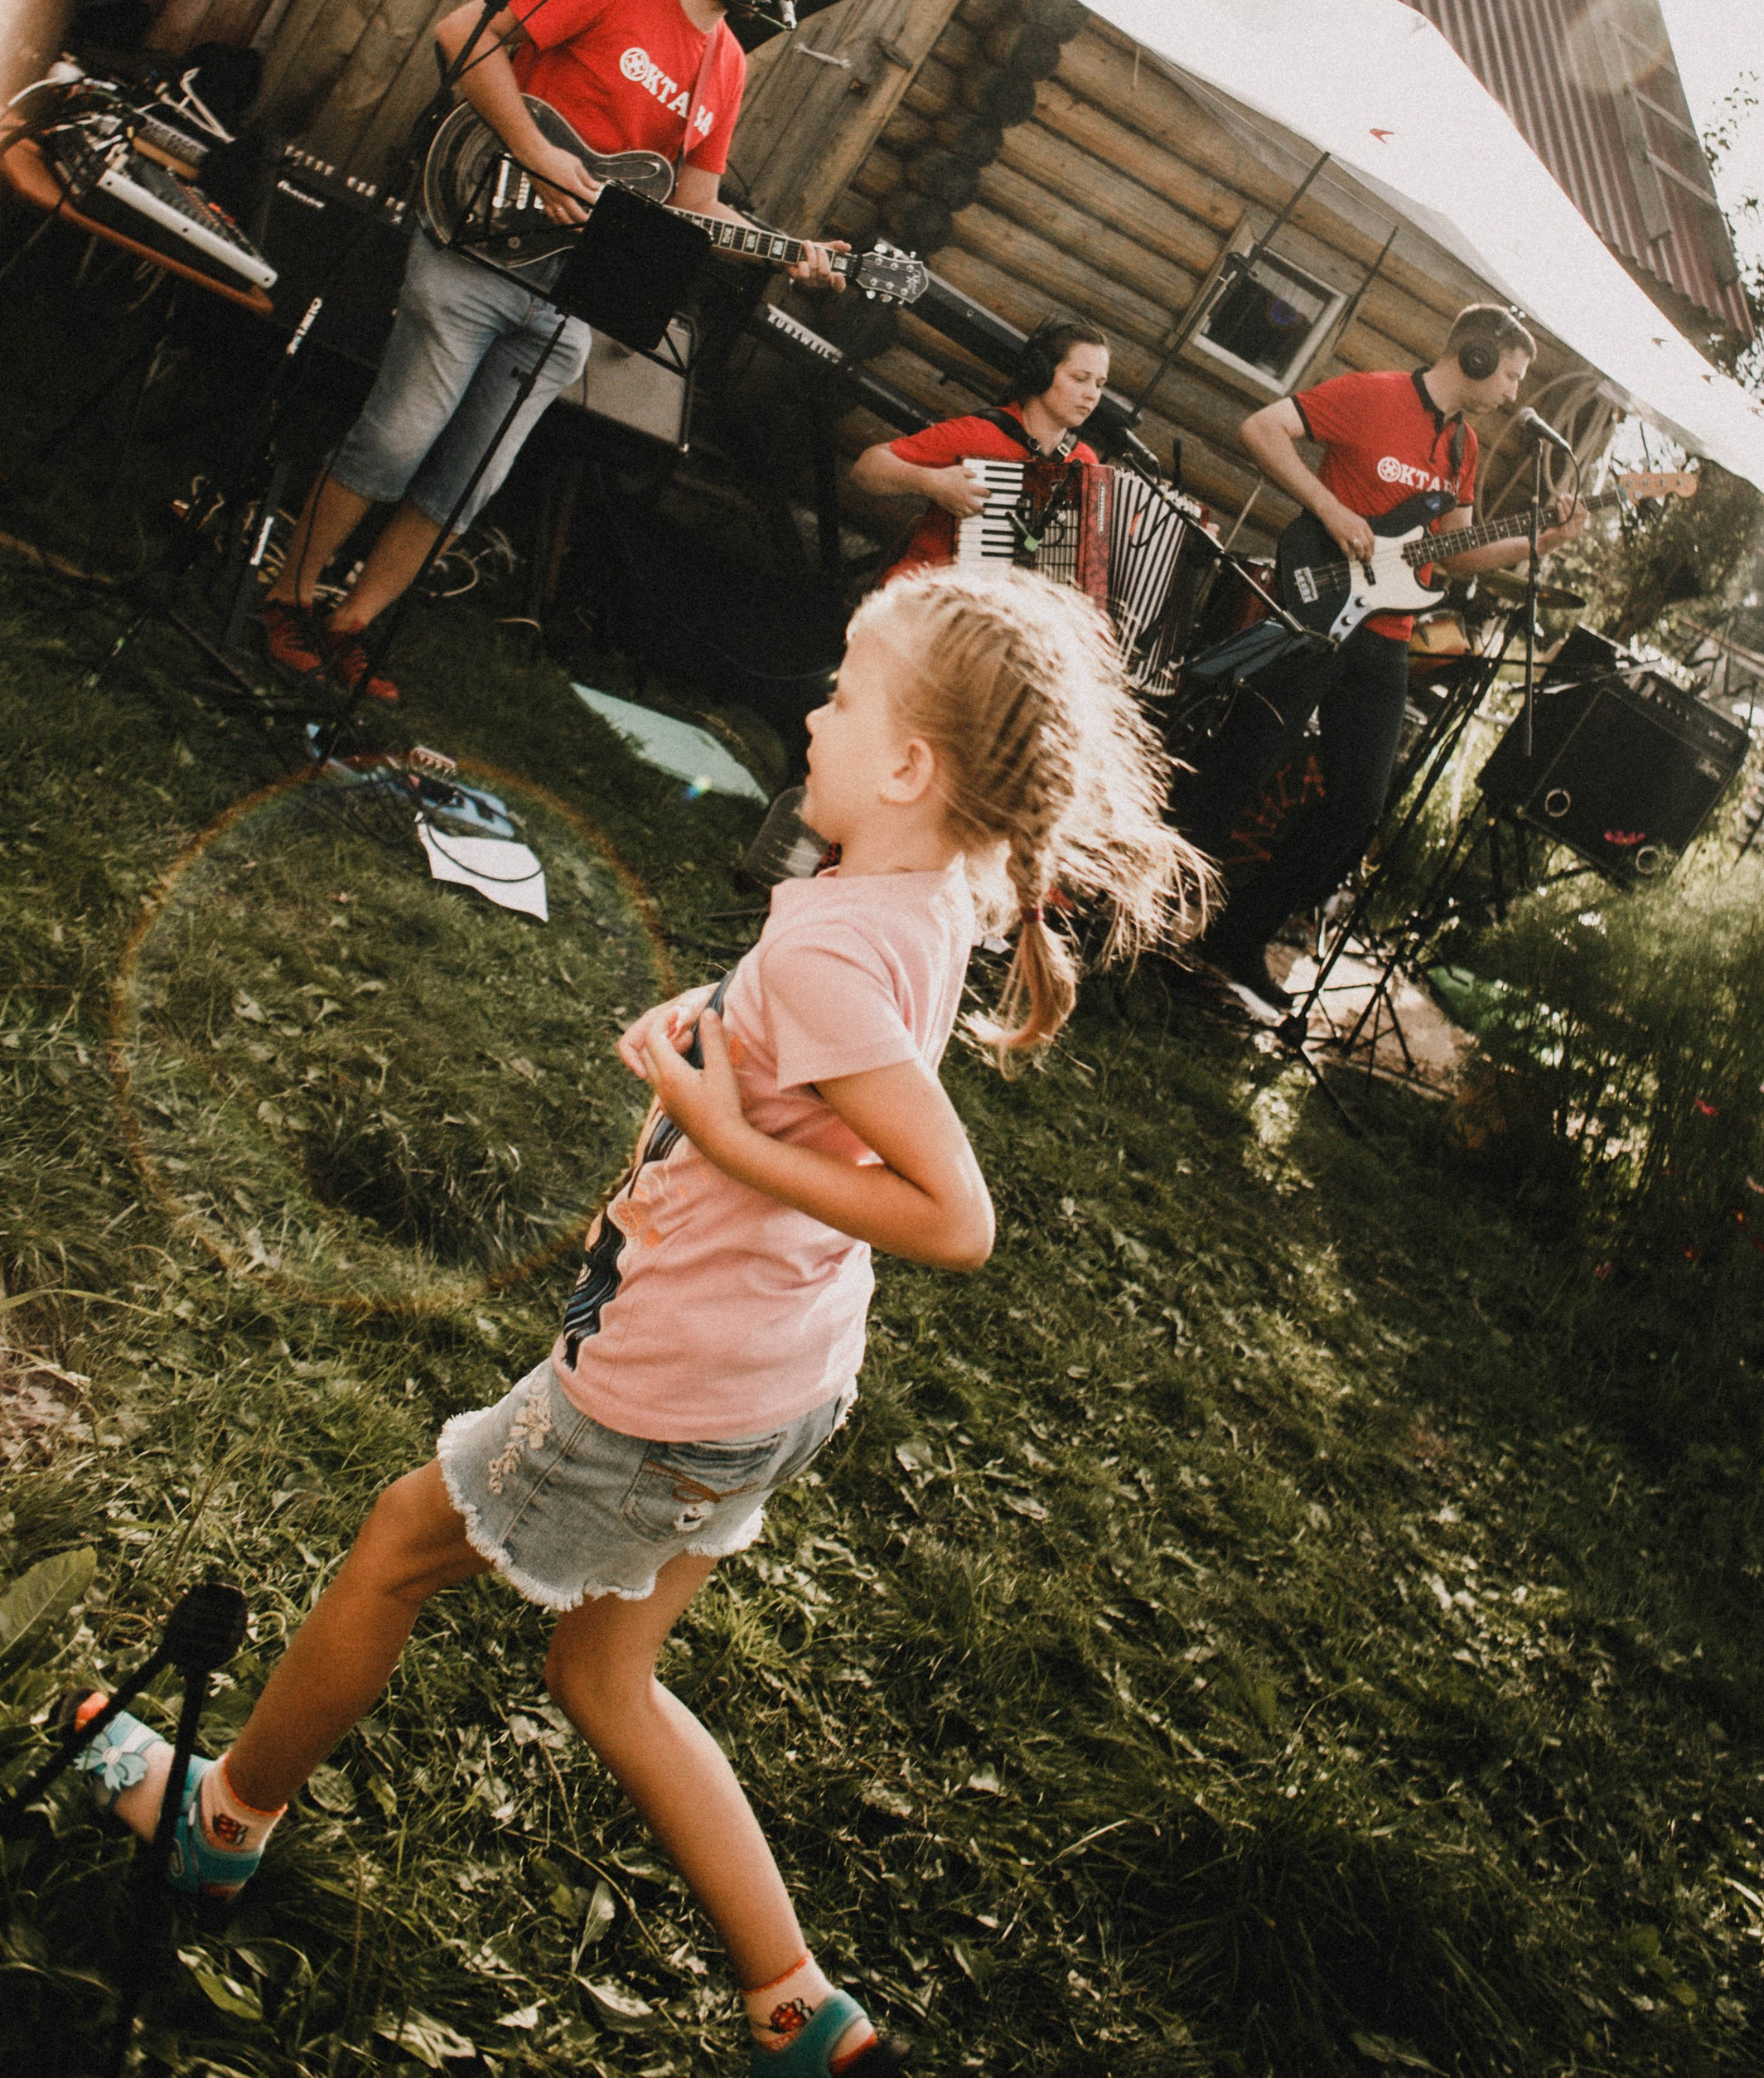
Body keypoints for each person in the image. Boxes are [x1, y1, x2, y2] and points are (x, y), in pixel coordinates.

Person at [66, 567, 1212, 2072]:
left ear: (910, 766)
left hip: (662, 1383)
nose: (814, 712)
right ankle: (796, 2003)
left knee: (395, 1546)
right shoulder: (931, 898)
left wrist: (714, 1124)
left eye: (843, 693)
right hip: (774, 1387)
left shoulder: (832, 940)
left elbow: (957, 1217)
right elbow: (842, 1080)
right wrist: (728, 1052)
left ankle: (218, 1826)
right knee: (604, 1677)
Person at [261, 0, 845, 705]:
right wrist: (537, 154)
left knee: (472, 476)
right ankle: (289, 598)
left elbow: (695, 205)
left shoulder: (726, 64)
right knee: (397, 438)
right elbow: (465, 31)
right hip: (482, 238)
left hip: (575, 293)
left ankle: (349, 625)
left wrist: (789, 251)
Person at [1179, 302, 1587, 1011]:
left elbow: (1456, 555)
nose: (1512, 396)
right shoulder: (1373, 394)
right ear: (1478, 357)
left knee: (1358, 807)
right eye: (1511, 376)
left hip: (1385, 635)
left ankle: (1236, 936)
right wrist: (1329, 510)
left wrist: (1542, 542)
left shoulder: (1463, 449)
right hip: (1316, 610)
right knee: (1248, 756)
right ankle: (1145, 904)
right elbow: (1261, 427)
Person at [846, 319, 1109, 587]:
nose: (1091, 395)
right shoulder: (980, 435)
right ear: (1040, 374)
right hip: (924, 594)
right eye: (1080, 379)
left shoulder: (1083, 463)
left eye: (1100, 384)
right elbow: (867, 468)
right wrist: (930, 481)